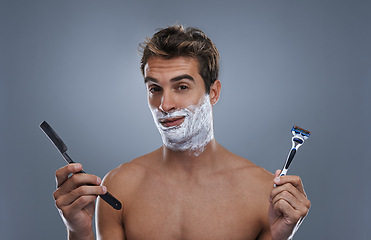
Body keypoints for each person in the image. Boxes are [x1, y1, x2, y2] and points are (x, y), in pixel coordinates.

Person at [53, 25, 310, 240]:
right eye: (155, 89)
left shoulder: (261, 193)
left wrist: (281, 238)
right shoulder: (120, 187)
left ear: (213, 93)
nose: (165, 105)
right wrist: (79, 233)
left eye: (182, 86)